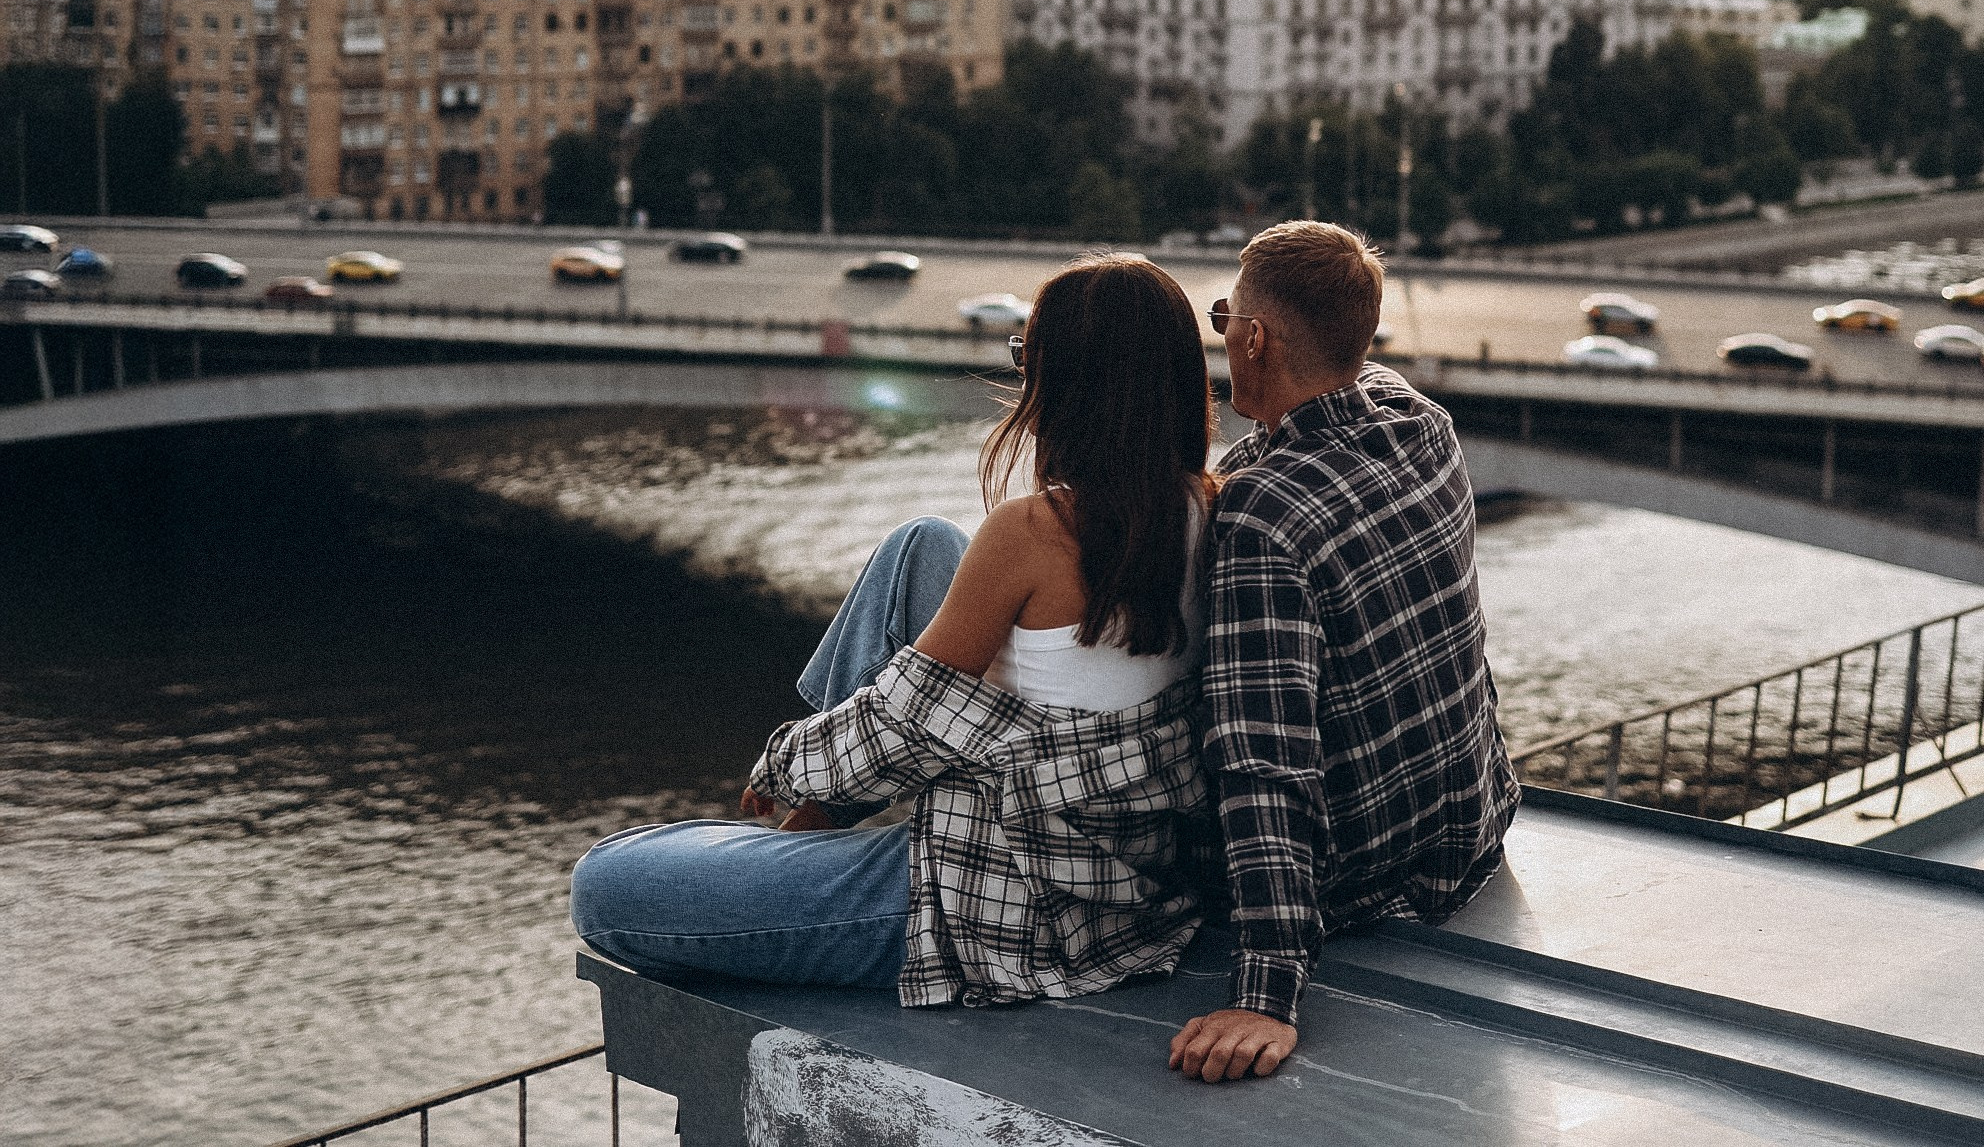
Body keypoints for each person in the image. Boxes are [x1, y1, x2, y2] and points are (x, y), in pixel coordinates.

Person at [571, 253, 1219, 1007]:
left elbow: (899, 726)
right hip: (1118, 860)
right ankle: (821, 818)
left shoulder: (1035, 531)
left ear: (1065, 382)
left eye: (1026, 358)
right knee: (923, 546)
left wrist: (783, 764)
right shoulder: (1214, 505)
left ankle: (807, 825)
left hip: (991, 901)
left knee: (609, 881)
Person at [1168, 221, 1519, 1084]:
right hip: (1467, 839)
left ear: (1255, 339)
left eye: (1224, 319)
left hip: (1358, 886)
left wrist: (1266, 993)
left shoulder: (1264, 519)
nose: (1223, 337)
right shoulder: (1422, 422)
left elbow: (1265, 759)